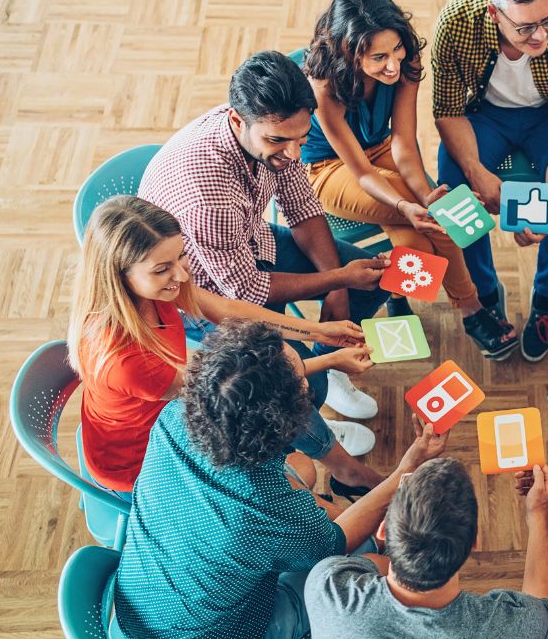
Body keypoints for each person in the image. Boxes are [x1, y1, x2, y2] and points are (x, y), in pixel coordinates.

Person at [111, 320, 450, 639]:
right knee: (379, 566)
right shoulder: (260, 504)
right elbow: (335, 545)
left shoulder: (174, 417)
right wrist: (408, 469)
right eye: (303, 386)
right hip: (224, 637)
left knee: (303, 468)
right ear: (284, 422)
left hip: (139, 611)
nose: (307, 382)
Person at [66, 196, 381, 499]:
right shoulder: (124, 360)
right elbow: (240, 393)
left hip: (173, 414)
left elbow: (231, 310)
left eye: (181, 255)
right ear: (119, 275)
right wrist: (328, 360)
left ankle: (337, 463)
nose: (182, 273)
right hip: (143, 459)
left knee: (290, 392)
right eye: (162, 268)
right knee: (275, 404)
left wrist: (319, 333)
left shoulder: (155, 286)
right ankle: (346, 471)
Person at [139, 50, 390, 421]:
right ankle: (314, 424)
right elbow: (247, 292)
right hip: (202, 291)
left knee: (371, 284)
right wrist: (338, 279)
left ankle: (328, 363)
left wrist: (338, 290)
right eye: (278, 141)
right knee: (292, 385)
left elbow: (302, 207)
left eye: (301, 139)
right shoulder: (208, 199)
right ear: (238, 121)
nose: (292, 153)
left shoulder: (275, 135)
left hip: (250, 240)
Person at [301, 0, 517, 360]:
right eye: (379, 57)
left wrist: (425, 193)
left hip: (381, 148)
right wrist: (406, 205)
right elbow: (362, 173)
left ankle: (397, 294)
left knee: (421, 238)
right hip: (329, 167)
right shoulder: (324, 88)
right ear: (347, 53)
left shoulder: (407, 64)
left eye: (397, 49)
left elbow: (402, 141)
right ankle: (472, 309)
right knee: (436, 223)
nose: (393, 65)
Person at [432, 0, 548, 362]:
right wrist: (476, 171)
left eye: (547, 20)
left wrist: (544, 208)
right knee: (453, 191)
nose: (541, 36)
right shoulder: (454, 24)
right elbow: (447, 112)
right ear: (494, 14)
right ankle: (486, 292)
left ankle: (546, 301)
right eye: (526, 28)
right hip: (484, 117)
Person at [304, 458, 548, 639]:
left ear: (383, 531)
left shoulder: (328, 587)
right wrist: (537, 514)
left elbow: (367, 564)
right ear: (475, 542)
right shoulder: (516, 628)